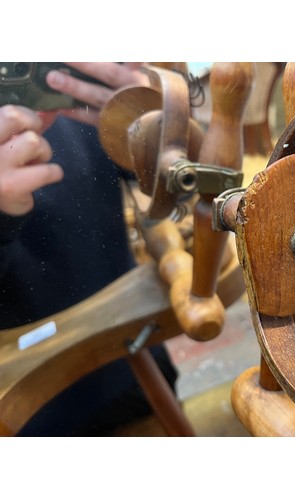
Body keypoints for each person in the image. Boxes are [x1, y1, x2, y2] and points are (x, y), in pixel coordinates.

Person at [0, 62, 178, 436]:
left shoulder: (68, 84)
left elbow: (178, 190)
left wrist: (162, 124)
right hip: (25, 409)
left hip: (137, 367)